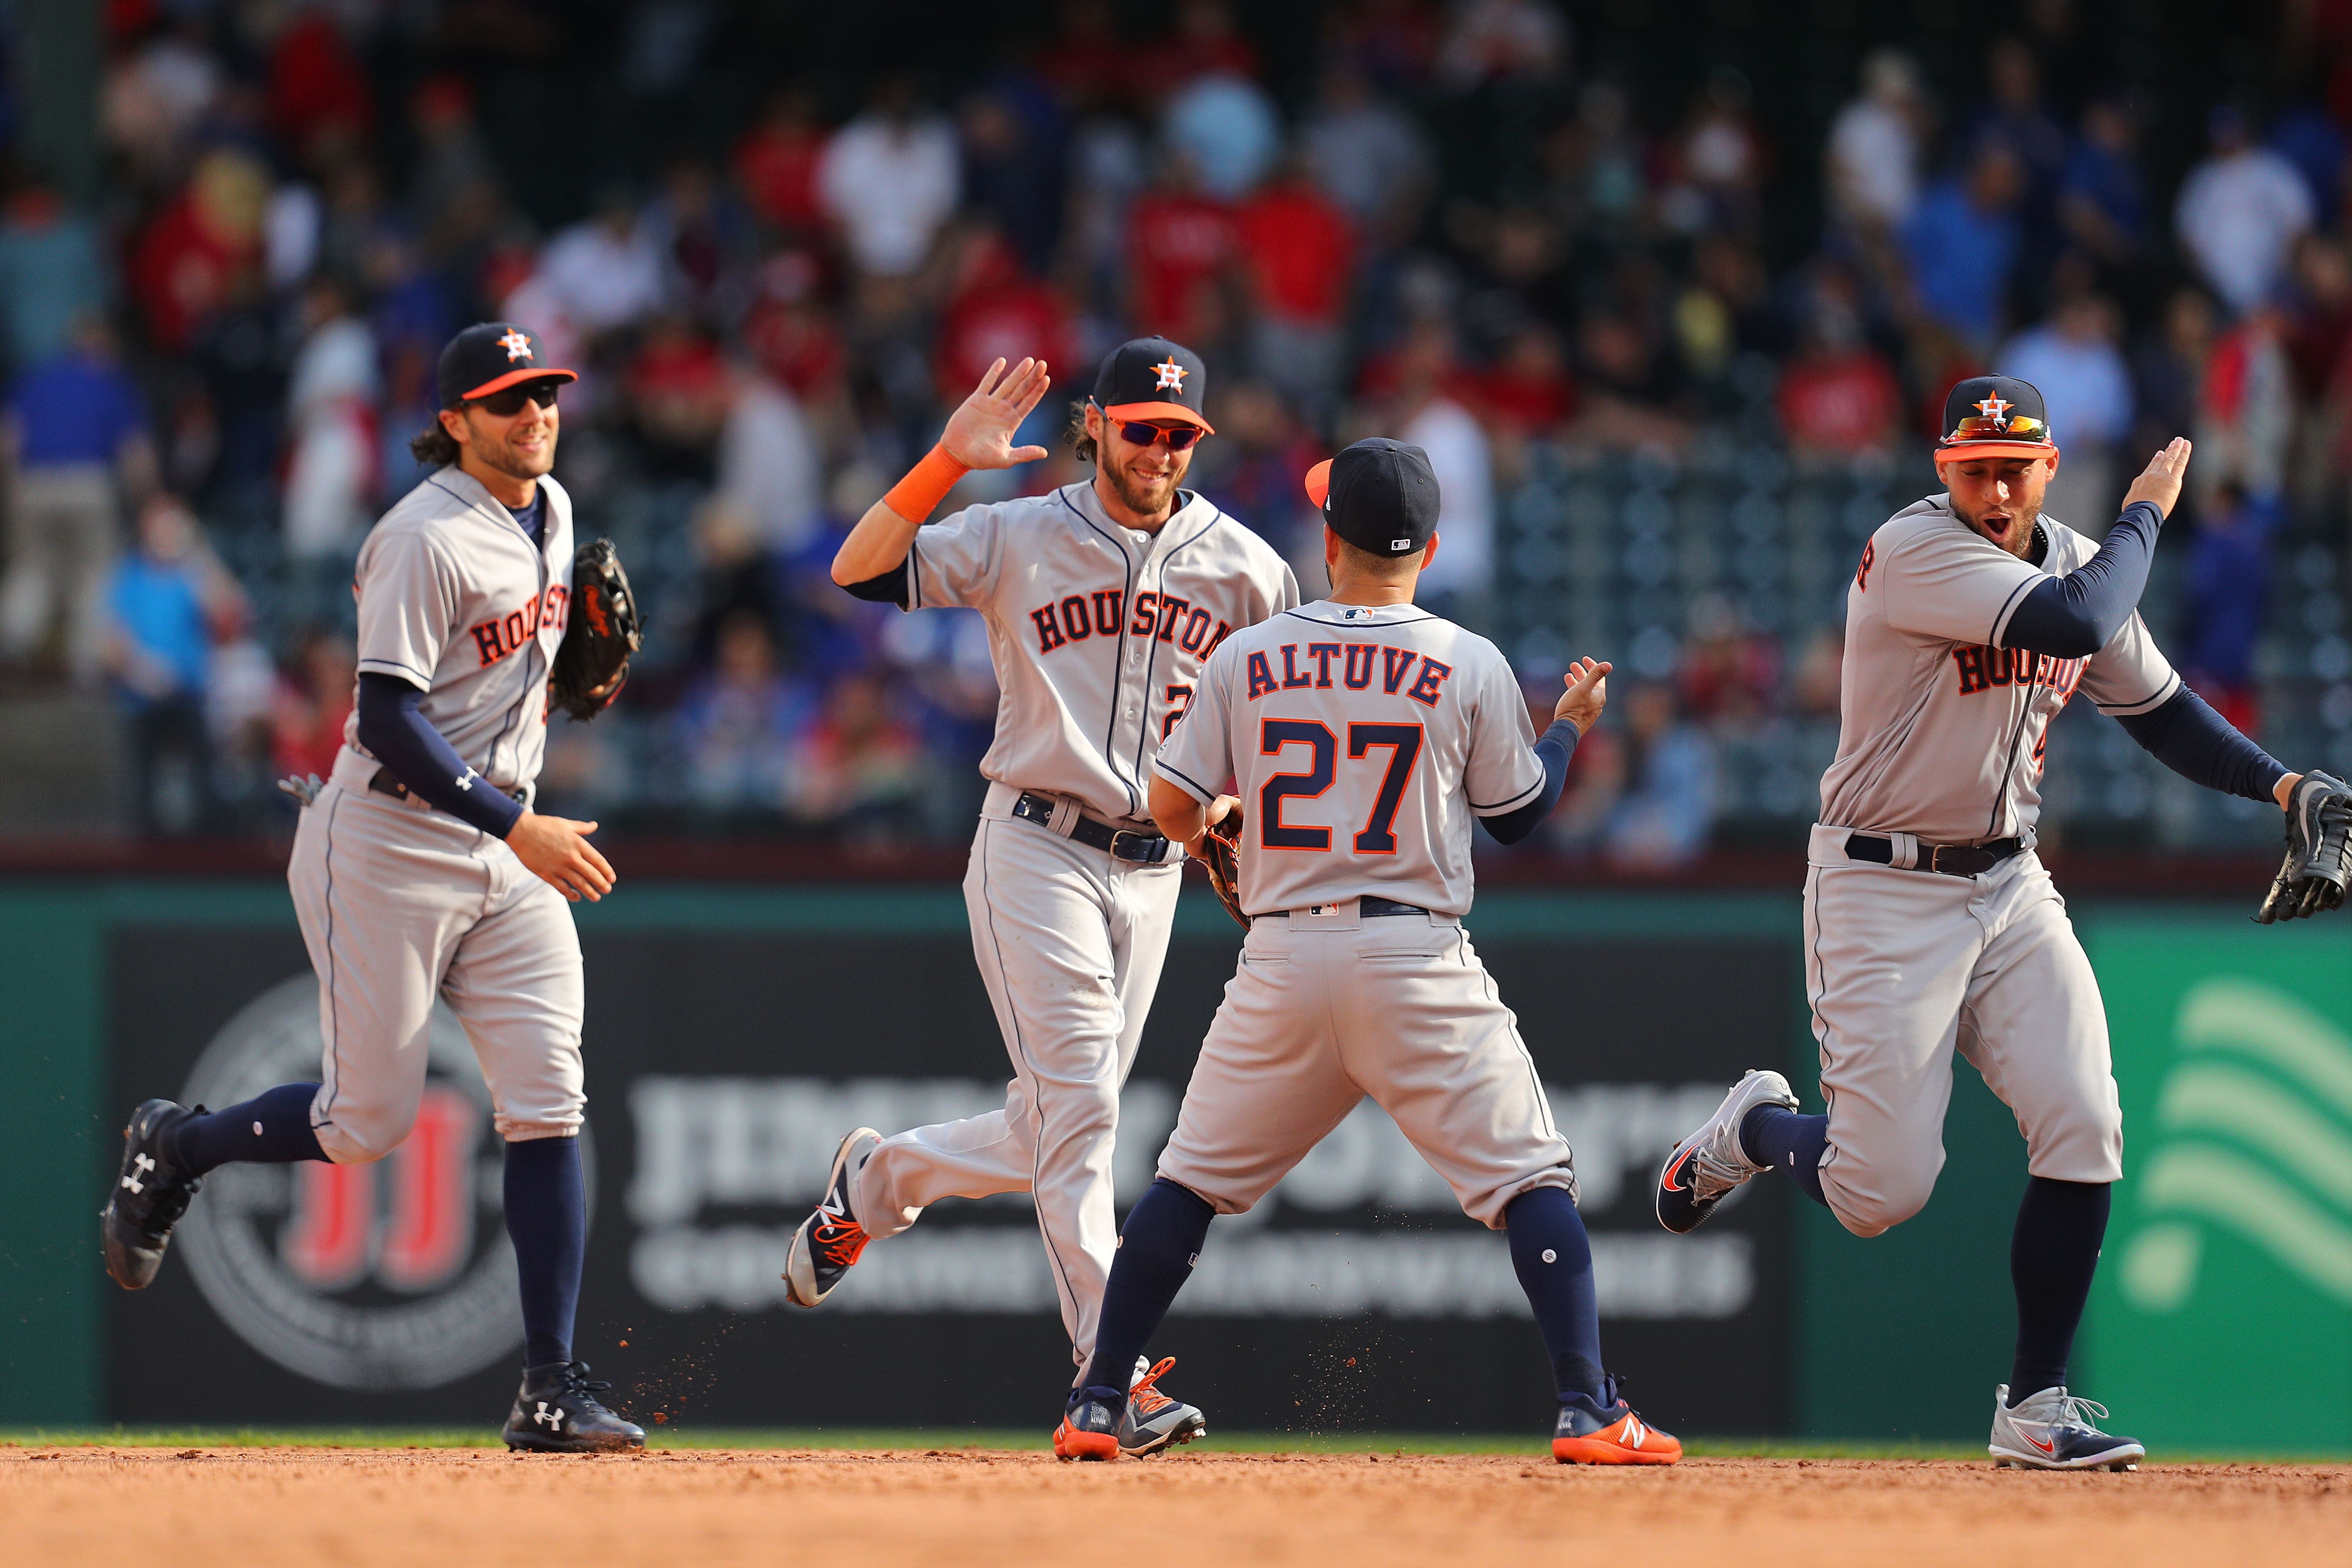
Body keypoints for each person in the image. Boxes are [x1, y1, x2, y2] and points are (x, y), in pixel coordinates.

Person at [1653, 377, 2329, 1470]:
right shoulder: (1918, 550)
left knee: (2086, 1122)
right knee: (1881, 1195)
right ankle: (1754, 1131)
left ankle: (2037, 1403)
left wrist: (2282, 786)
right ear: (1942, 470)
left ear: (2050, 467)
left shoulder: (2074, 557)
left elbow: (2155, 708)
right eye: (1975, 467)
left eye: (2016, 467)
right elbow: (2073, 619)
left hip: (2010, 885)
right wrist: (2148, 510)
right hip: (1882, 887)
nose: (1997, 486)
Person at [1055, 438, 1678, 1466]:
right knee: (1532, 1180)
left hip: (1284, 956)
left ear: (1329, 538)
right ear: (1429, 546)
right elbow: (1519, 819)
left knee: (1187, 1186)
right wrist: (1565, 729)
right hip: (1413, 955)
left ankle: (1094, 1400)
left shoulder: (1249, 654)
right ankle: (1587, 1406)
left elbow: (1170, 806)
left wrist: (1220, 828)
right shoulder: (1464, 656)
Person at [98, 323, 643, 1454]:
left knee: (549, 1099)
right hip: (388, 843)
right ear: (454, 421)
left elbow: (508, 683)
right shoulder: (419, 538)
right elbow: (389, 718)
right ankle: (179, 1146)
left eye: (542, 394)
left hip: (508, 841)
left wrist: (557, 721)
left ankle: (551, 1387)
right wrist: (518, 823)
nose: (534, 413)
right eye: (506, 402)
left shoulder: (556, 512)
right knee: (366, 1124)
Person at [788, 338, 1298, 1454]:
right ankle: (1107, 1377)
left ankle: (878, 1182)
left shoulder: (1254, 572)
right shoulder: (1019, 531)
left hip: (1157, 869)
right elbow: (859, 570)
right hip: (1036, 845)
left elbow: (1256, 742)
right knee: (1085, 1115)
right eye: (1140, 427)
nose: (1159, 448)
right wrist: (944, 464)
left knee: (1053, 1125)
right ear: (1094, 427)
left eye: (1179, 434)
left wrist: (1234, 838)